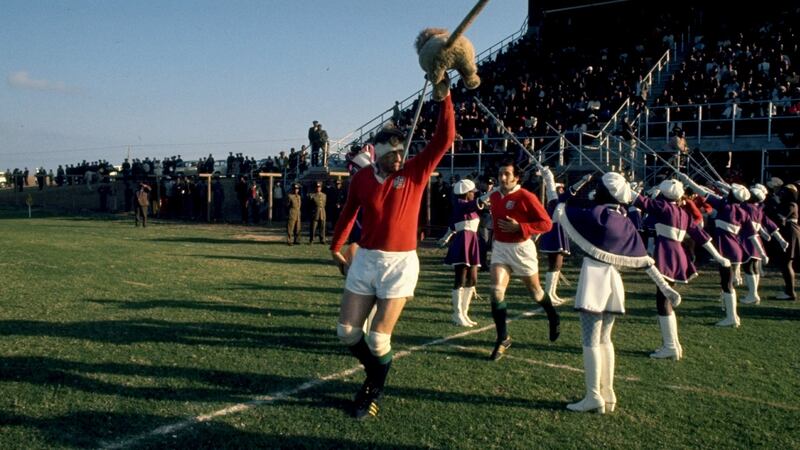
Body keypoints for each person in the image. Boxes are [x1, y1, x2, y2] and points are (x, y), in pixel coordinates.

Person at [329, 92, 455, 419]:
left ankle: (372, 388)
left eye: (402, 152)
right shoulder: (362, 179)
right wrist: (335, 247)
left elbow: (444, 138)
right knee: (347, 332)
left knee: (378, 338)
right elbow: (348, 214)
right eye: (392, 154)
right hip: (366, 260)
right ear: (379, 155)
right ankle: (376, 374)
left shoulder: (414, 172)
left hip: (400, 263)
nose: (399, 158)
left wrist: (444, 97)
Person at [555, 172, 680, 414]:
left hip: (594, 279)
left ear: (605, 191)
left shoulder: (596, 215)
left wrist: (557, 185)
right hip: (613, 281)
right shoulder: (623, 221)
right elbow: (645, 261)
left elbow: (558, 208)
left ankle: (593, 395)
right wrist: (665, 287)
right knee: (605, 339)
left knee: (590, 341)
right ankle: (608, 392)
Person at [633, 179, 731, 360]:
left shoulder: (662, 207)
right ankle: (673, 344)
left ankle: (670, 346)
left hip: (666, 254)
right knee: (665, 299)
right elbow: (702, 237)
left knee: (663, 300)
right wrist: (718, 256)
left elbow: (637, 199)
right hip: (679, 254)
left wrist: (618, 183)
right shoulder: (683, 213)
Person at [479, 158, 557, 362]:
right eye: (500, 174)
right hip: (500, 248)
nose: (503, 178)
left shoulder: (526, 196)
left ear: (516, 177)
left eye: (507, 174)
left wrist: (520, 227)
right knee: (496, 292)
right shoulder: (494, 196)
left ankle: (552, 315)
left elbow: (546, 224)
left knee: (536, 293)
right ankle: (503, 338)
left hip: (522, 249)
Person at [678, 174, 755, 327]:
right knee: (728, 283)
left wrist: (687, 180)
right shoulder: (741, 211)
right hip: (736, 250)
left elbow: (701, 192)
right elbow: (752, 235)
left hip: (727, 250)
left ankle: (731, 317)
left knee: (726, 284)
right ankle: (732, 315)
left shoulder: (723, 205)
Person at [539, 167, 593, 306]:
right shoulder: (555, 200)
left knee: (558, 265)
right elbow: (556, 185)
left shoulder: (561, 203)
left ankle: (552, 293)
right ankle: (548, 294)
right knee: (554, 264)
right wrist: (583, 181)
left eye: (563, 189)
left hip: (559, 232)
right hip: (553, 234)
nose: (562, 190)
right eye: (560, 189)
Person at [438, 179, 482, 327]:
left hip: (472, 242)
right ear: (466, 193)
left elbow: (452, 226)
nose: (474, 194)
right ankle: (457, 314)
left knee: (473, 279)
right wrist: (494, 191)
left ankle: (464, 312)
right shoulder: (461, 205)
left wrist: (445, 238)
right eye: (472, 192)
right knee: (460, 279)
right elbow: (477, 203)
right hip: (463, 243)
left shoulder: (468, 207)